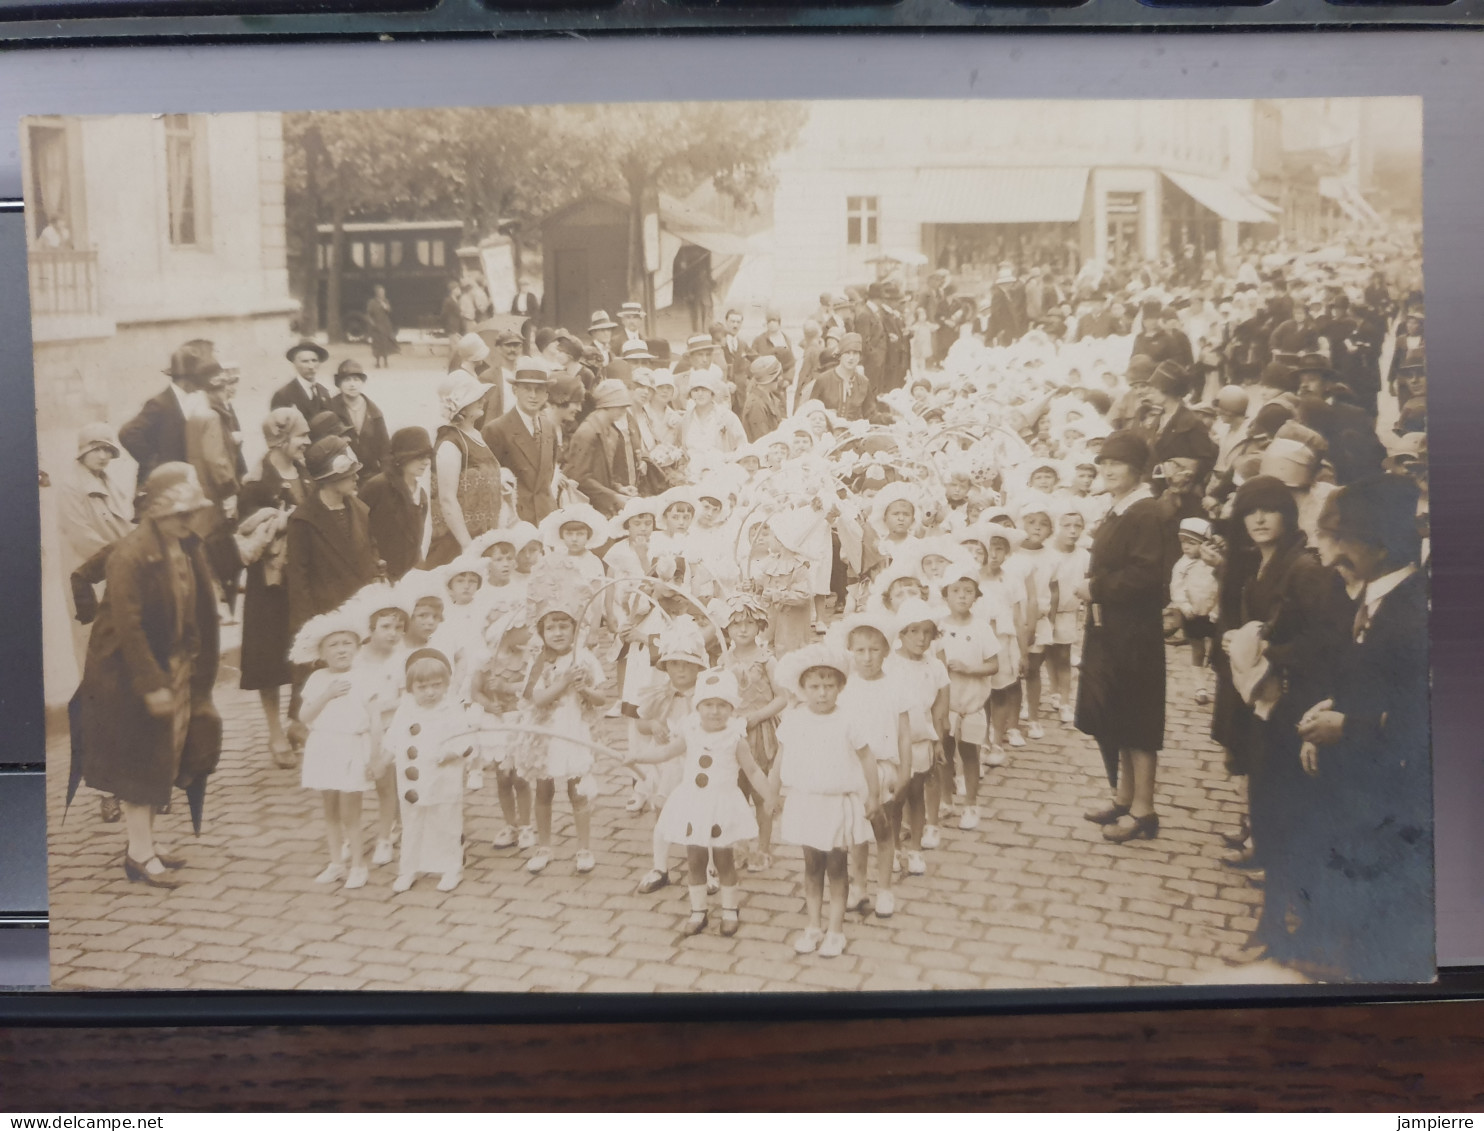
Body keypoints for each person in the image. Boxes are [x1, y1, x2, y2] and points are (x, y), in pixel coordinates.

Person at [1298, 474, 1431, 981]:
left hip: (1391, 795)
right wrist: (1332, 710)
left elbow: (1420, 718)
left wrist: (1346, 728)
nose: (1333, 556)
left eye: (1344, 542)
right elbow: (1375, 683)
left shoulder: (1413, 615)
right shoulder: (1379, 596)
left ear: (1379, 546)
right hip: (1357, 784)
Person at [76, 463, 220, 888]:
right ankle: (139, 854)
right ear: (157, 512)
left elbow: (193, 605)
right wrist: (152, 684)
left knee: (163, 758)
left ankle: (145, 844)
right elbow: (128, 625)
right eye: (181, 513)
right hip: (128, 673)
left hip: (169, 665)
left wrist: (189, 664)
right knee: (141, 761)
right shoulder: (131, 554)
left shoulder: (183, 546)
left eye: (191, 512)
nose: (189, 519)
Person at [1075, 430, 1168, 843]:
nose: (1107, 470)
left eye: (1117, 463)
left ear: (1137, 468)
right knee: (1118, 714)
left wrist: (1096, 588)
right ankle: (1125, 796)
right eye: (1103, 463)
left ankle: (1144, 810)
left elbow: (1147, 577)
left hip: (1135, 631)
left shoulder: (1147, 513)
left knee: (1138, 717)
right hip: (1111, 627)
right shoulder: (1119, 508)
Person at [642, 668, 775, 937]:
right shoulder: (690, 733)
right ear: (698, 706)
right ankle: (698, 910)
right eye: (708, 705)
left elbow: (753, 771)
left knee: (724, 860)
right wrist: (637, 756)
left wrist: (771, 796)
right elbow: (666, 751)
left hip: (722, 805)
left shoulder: (735, 738)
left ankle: (729, 909)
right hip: (694, 804)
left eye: (722, 705)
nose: (715, 712)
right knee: (695, 859)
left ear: (731, 708)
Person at [769, 643, 880, 959]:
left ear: (840, 687)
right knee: (811, 866)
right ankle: (813, 925)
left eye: (829, 686)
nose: (821, 693)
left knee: (836, 867)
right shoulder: (794, 719)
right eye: (814, 687)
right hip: (806, 802)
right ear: (802, 688)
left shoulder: (848, 720)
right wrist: (772, 792)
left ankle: (835, 929)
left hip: (836, 804)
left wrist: (873, 796)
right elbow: (781, 756)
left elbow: (867, 758)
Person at [513, 601, 610, 876]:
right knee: (544, 791)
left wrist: (585, 690)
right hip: (547, 736)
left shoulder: (585, 657)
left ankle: (583, 848)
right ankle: (544, 846)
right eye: (550, 627)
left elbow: (602, 698)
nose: (557, 633)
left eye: (563, 626)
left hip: (574, 729)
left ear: (575, 629)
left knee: (577, 792)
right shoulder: (539, 661)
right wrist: (565, 681)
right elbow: (537, 698)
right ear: (541, 632)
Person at [238, 408, 311, 767]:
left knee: (305, 651)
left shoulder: (304, 471)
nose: (307, 443)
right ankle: (274, 733)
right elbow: (248, 531)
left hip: (301, 579)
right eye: (301, 436)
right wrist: (285, 519)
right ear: (281, 440)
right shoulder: (256, 481)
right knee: (269, 659)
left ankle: (297, 720)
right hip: (270, 585)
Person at [290, 609, 383, 891]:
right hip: (324, 746)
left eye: (347, 643)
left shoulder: (366, 676)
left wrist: (375, 755)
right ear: (321, 652)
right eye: (333, 645)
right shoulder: (318, 679)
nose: (341, 650)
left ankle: (357, 864)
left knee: (350, 812)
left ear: (357, 647)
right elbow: (305, 716)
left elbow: (376, 720)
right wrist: (327, 694)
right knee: (329, 809)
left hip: (352, 746)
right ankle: (336, 862)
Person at [389, 648, 479, 893]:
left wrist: (452, 752)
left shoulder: (450, 709)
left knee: (446, 821)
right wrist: (384, 756)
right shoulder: (406, 709)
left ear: (446, 685)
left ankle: (451, 867)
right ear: (411, 688)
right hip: (413, 780)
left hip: (443, 777)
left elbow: (466, 740)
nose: (430, 692)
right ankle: (409, 868)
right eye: (423, 687)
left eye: (436, 686)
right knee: (413, 822)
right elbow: (393, 739)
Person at [57, 424, 134, 682]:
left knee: (120, 642)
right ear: (82, 452)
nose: (103, 456)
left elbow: (125, 524)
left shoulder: (109, 482)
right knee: (92, 643)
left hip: (115, 569)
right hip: (89, 575)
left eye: (107, 450)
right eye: (96, 449)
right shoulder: (70, 486)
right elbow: (81, 536)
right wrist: (120, 558)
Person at [286, 435, 381, 638]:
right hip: (329, 622)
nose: (357, 478)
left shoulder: (361, 511)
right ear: (328, 478)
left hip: (363, 614)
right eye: (349, 474)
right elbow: (298, 582)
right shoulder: (303, 520)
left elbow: (372, 554)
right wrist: (308, 629)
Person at [118, 340, 218, 513]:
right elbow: (128, 433)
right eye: (197, 382)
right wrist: (155, 461)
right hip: (159, 487)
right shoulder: (160, 403)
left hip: (180, 485)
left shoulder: (188, 400)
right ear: (186, 380)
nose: (199, 388)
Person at [427, 372, 502, 568]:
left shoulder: (475, 435)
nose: (483, 401)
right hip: (456, 543)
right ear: (460, 407)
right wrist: (468, 547)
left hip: (484, 538)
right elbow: (447, 499)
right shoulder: (450, 443)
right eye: (475, 398)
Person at [483, 357, 559, 524]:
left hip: (547, 518)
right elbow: (488, 485)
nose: (533, 395)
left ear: (546, 394)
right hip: (515, 520)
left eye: (539, 389)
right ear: (515, 390)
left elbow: (548, 475)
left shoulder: (549, 428)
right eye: (527, 389)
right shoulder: (496, 429)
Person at [359, 427, 433, 582]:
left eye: (428, 457)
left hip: (407, 579)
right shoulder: (377, 486)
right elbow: (358, 533)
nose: (426, 462)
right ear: (401, 457)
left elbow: (415, 544)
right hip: (376, 579)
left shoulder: (422, 496)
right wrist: (375, 568)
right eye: (420, 456)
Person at [564, 379, 639, 517]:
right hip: (588, 509)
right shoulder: (587, 432)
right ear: (607, 405)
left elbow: (603, 474)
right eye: (619, 406)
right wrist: (613, 497)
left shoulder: (610, 431)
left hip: (602, 507)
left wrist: (619, 488)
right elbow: (579, 477)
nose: (624, 410)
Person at [330, 359, 390, 484]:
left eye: (356, 380)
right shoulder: (331, 409)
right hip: (341, 474)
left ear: (362, 383)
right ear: (339, 383)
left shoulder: (374, 413)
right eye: (347, 380)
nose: (352, 384)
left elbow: (385, 449)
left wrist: (386, 477)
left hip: (370, 473)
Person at [270, 340, 334, 423]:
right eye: (305, 361)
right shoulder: (283, 395)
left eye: (314, 360)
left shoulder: (323, 392)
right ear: (295, 364)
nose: (311, 366)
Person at [740, 355, 786, 443]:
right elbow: (762, 440)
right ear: (769, 379)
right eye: (777, 375)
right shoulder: (756, 404)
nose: (780, 378)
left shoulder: (769, 397)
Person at [365, 284, 398, 368]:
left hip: (385, 325)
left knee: (385, 343)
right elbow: (369, 314)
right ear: (377, 293)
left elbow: (389, 310)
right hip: (376, 325)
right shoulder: (372, 302)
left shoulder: (385, 301)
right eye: (380, 292)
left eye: (383, 292)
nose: (382, 293)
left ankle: (386, 362)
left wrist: (385, 305)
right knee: (377, 343)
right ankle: (377, 362)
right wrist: (372, 323)